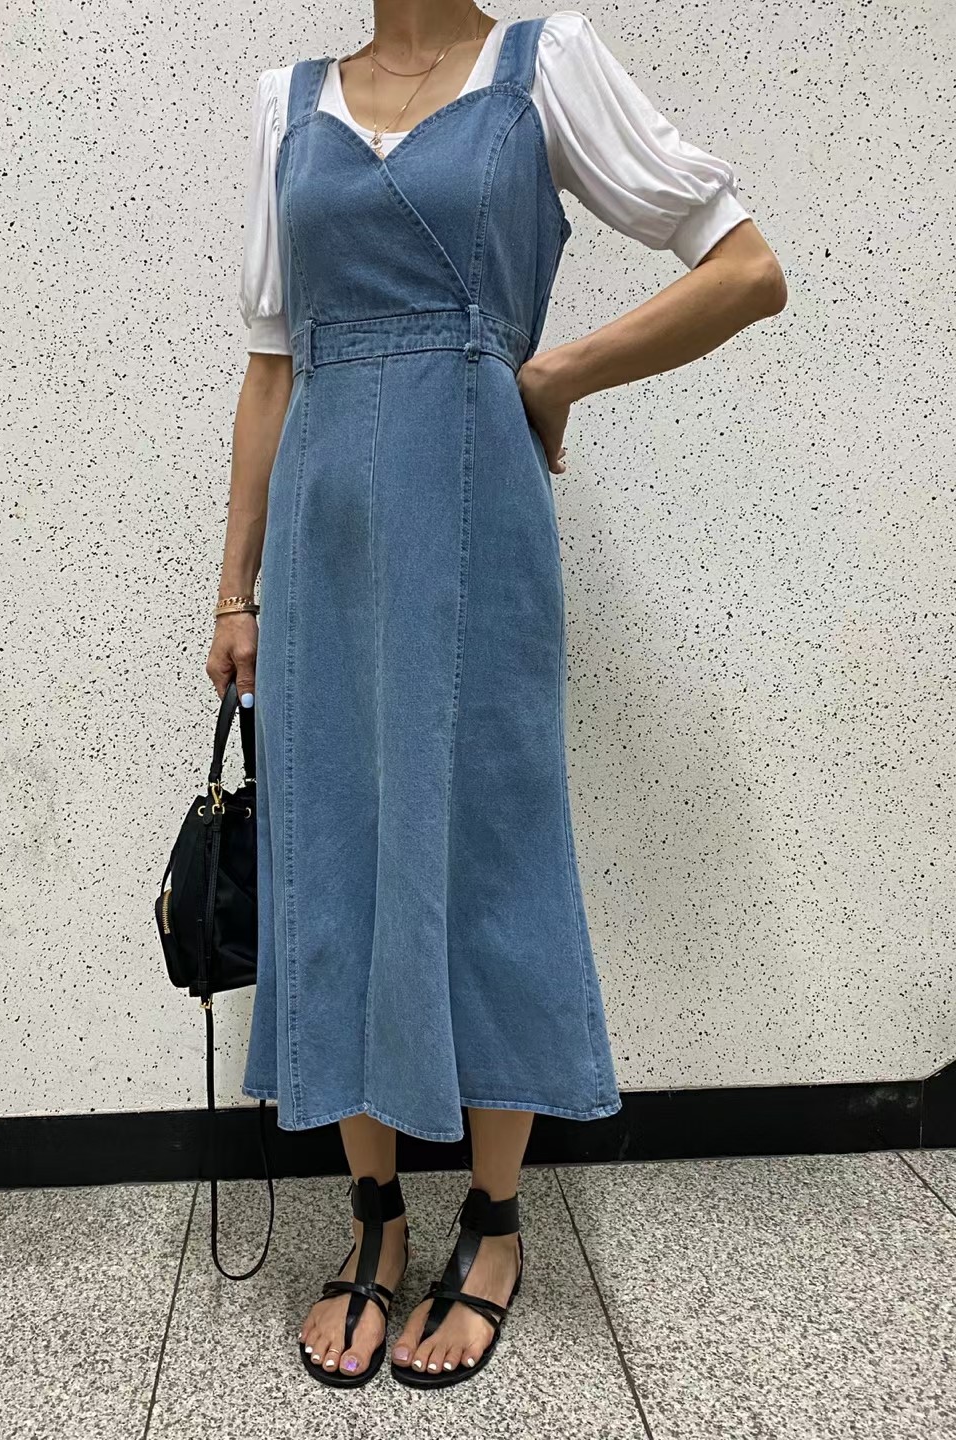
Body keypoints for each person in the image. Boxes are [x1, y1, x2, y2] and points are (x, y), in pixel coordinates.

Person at [207, 3, 786, 1391]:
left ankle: (497, 1218)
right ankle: (373, 1215)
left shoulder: (547, 67)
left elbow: (747, 268)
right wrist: (234, 588)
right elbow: (272, 365)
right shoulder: (286, 103)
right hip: (327, 539)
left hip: (477, 518)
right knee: (333, 849)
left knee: (492, 849)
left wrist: (557, 370)